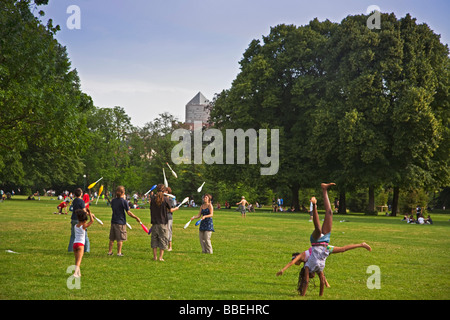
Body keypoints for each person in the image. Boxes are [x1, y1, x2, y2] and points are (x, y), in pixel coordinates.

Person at [276, 242, 372, 285]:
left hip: (323, 249)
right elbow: (319, 270)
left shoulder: (301, 256)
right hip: (323, 253)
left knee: (342, 249)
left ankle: (361, 245)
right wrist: (326, 283)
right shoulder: (306, 262)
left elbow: (291, 263)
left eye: (294, 259)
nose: (296, 263)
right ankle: (361, 245)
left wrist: (282, 270)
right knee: (342, 249)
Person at [299, 183, 336, 296]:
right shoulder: (319, 268)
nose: (312, 277)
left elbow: (305, 282)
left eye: (311, 276)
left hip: (316, 241)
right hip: (325, 240)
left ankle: (314, 205)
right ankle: (324, 189)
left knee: (318, 229)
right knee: (329, 212)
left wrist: (302, 295)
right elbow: (322, 282)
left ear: (310, 274)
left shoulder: (308, 267)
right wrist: (320, 296)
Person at [108, 186, 141, 256]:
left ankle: (110, 252)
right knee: (120, 238)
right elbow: (128, 212)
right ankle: (119, 252)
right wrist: (136, 217)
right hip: (120, 222)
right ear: (123, 193)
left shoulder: (113, 201)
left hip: (113, 221)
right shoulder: (124, 201)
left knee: (112, 238)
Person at [150, 184, 179, 261]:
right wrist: (176, 208)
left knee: (154, 240)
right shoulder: (165, 199)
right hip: (163, 223)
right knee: (163, 239)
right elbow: (170, 210)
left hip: (154, 223)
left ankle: (155, 257)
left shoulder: (153, 199)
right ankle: (160, 257)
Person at [72, 208, 95, 278]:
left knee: (76, 260)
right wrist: (90, 213)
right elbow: (92, 221)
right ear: (85, 221)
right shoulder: (84, 226)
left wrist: (86, 214)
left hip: (75, 244)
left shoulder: (75, 226)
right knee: (79, 261)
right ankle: (75, 273)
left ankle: (79, 273)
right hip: (80, 245)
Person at [68, 188, 90, 253]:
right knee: (85, 235)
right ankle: (86, 250)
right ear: (81, 194)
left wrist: (88, 202)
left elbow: (80, 205)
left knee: (73, 235)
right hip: (80, 220)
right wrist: (90, 214)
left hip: (73, 219)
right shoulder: (81, 201)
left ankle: (70, 250)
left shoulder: (74, 200)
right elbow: (84, 210)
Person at [166, 187, 176, 252]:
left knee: (169, 231)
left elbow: (171, 210)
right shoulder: (161, 199)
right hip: (162, 217)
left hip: (169, 217)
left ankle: (170, 246)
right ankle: (164, 245)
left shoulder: (170, 200)